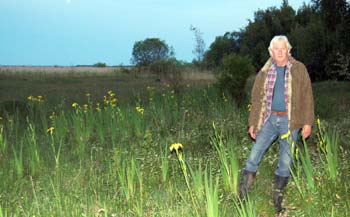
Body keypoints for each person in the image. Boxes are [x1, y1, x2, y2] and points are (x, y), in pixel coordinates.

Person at [239, 35, 314, 213]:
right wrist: (253, 123)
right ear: (271, 52)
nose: (280, 52)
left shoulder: (299, 69)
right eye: (276, 49)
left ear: (288, 50)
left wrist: (307, 123)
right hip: (269, 120)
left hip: (291, 121)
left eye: (283, 49)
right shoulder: (264, 72)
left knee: (285, 161)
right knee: (253, 156)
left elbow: (307, 96)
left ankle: (278, 203)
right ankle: (242, 198)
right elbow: (256, 100)